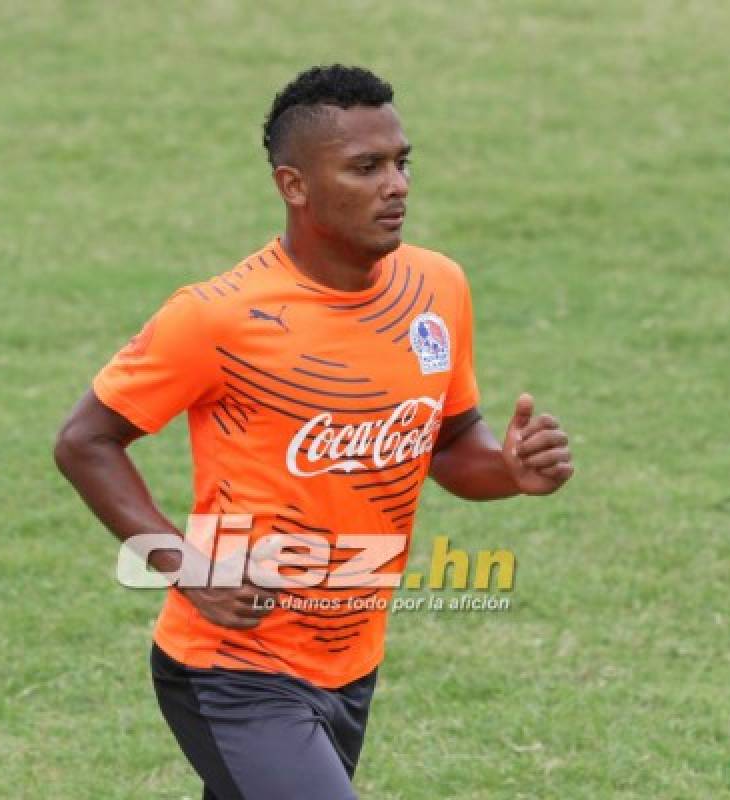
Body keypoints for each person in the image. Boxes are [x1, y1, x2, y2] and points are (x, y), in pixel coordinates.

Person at [53, 64, 574, 800]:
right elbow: (84, 440)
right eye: (365, 168)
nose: (396, 185)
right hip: (232, 667)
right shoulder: (219, 317)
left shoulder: (437, 287)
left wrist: (512, 471)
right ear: (293, 185)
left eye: (402, 162)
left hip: (351, 661)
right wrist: (185, 565)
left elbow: (453, 448)